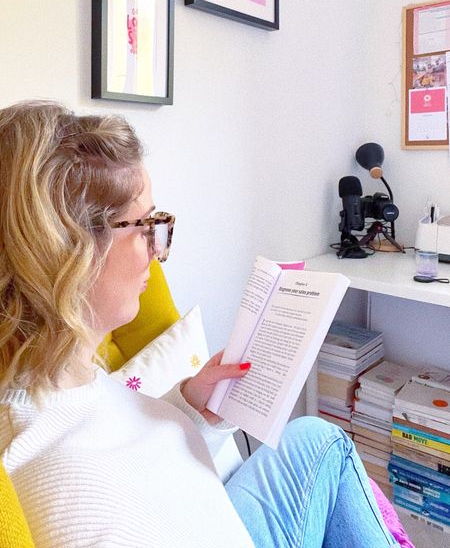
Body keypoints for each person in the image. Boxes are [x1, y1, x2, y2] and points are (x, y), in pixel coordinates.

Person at [0, 101, 402, 548]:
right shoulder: (72, 493)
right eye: (146, 225)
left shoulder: (73, 381)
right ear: (67, 252)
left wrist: (190, 408)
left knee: (316, 436)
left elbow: (145, 473)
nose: (158, 248)